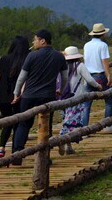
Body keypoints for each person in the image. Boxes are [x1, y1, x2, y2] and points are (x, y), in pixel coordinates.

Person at [10, 30, 68, 164]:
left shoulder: (32, 56)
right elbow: (65, 76)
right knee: (46, 125)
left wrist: (16, 93)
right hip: (48, 96)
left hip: (29, 95)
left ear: (43, 41)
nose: (33, 42)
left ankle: (18, 154)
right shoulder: (59, 56)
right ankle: (44, 156)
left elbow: (22, 77)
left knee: (23, 124)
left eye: (35, 39)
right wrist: (60, 89)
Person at [56, 46, 101, 155]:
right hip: (75, 98)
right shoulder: (80, 66)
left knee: (67, 120)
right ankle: (61, 138)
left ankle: (68, 146)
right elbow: (89, 79)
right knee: (70, 122)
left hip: (61, 98)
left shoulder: (61, 65)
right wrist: (97, 85)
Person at [0, 35, 30, 160]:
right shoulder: (27, 60)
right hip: (19, 96)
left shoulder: (4, 59)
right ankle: (15, 151)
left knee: (7, 121)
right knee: (19, 123)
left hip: (2, 96)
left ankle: (1, 147)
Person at [82, 23, 112, 133]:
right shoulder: (103, 45)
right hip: (99, 75)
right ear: (103, 34)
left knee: (86, 104)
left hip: (88, 76)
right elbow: (104, 61)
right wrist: (108, 75)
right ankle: (107, 124)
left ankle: (84, 129)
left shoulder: (87, 45)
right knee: (109, 100)